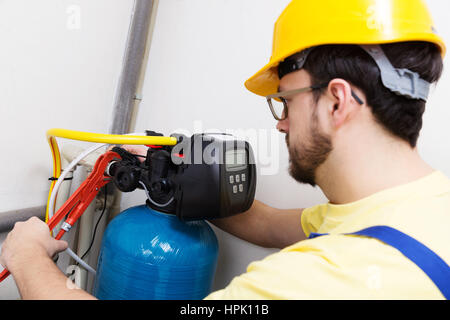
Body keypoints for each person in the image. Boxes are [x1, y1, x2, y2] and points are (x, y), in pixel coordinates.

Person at [1, 0, 449, 300]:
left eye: (286, 100)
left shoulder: (320, 281)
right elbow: (271, 224)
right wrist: (176, 176)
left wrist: (27, 257)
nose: (280, 122)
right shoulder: (419, 206)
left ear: (337, 101)